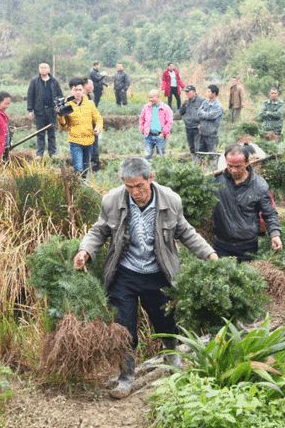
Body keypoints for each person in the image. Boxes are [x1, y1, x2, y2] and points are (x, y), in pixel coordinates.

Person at [73, 157, 218, 398]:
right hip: (125, 274)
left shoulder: (170, 200)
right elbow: (99, 230)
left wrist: (210, 254)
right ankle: (126, 376)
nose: (135, 192)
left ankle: (172, 360)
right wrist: (85, 250)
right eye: (129, 187)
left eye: (139, 186)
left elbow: (186, 232)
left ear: (151, 178)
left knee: (165, 323)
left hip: (158, 273)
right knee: (124, 326)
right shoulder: (112, 200)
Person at [212, 144, 282, 261]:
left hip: (247, 247)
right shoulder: (217, 181)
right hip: (221, 245)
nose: (233, 170)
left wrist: (275, 234)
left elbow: (269, 213)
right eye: (230, 166)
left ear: (247, 162)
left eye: (238, 166)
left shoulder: (259, 185)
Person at [57, 78, 103, 177]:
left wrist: (98, 128)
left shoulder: (90, 104)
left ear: (83, 90)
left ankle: (82, 188)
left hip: (89, 140)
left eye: (80, 90)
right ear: (71, 90)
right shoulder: (67, 105)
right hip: (75, 141)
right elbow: (64, 126)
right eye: (75, 90)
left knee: (85, 169)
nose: (77, 92)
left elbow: (98, 118)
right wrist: (60, 115)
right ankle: (79, 187)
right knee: (78, 168)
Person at [27, 62, 63, 159]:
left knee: (51, 133)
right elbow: (30, 96)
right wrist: (30, 110)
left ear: (49, 69)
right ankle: (39, 153)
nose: (43, 69)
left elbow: (60, 95)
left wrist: (59, 106)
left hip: (52, 111)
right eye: (41, 68)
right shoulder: (34, 82)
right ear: (39, 70)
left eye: (45, 67)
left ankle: (53, 153)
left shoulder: (54, 82)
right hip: (39, 111)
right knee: (40, 133)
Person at [139, 90, 173, 159]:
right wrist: (142, 129)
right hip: (148, 135)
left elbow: (169, 122)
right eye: (149, 97)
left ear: (158, 97)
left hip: (160, 136)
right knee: (147, 155)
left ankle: (160, 169)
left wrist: (163, 133)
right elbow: (142, 119)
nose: (150, 99)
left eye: (152, 97)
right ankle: (148, 169)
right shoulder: (146, 107)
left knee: (161, 156)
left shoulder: (165, 108)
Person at [197, 84, 223, 165]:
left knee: (212, 154)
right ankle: (201, 170)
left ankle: (213, 171)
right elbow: (198, 113)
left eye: (209, 91)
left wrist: (204, 114)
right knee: (201, 154)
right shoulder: (205, 102)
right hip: (202, 133)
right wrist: (206, 114)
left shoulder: (218, 106)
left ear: (214, 93)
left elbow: (211, 116)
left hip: (212, 135)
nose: (207, 93)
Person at [179, 85, 205, 162]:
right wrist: (183, 105)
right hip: (188, 127)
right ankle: (194, 162)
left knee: (198, 147)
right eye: (186, 92)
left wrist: (202, 124)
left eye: (188, 92)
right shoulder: (186, 102)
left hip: (197, 127)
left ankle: (199, 163)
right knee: (191, 147)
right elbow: (181, 113)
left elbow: (205, 113)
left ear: (194, 92)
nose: (186, 94)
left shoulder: (202, 101)